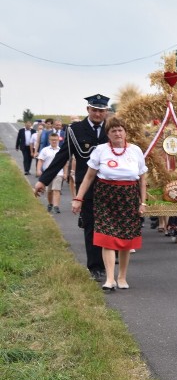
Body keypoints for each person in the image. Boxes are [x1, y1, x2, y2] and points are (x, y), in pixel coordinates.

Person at [34, 95, 110, 280]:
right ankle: (96, 267)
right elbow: (62, 157)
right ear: (88, 110)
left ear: (106, 111)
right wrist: (43, 180)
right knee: (91, 226)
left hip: (111, 186)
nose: (98, 113)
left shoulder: (112, 127)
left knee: (109, 226)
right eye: (94, 110)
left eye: (101, 110)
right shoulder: (76, 130)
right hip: (88, 186)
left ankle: (109, 261)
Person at [71, 116, 148, 291]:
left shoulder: (135, 150)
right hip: (105, 197)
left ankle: (122, 277)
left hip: (128, 198)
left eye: (120, 130)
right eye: (113, 131)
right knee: (106, 238)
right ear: (108, 134)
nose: (117, 133)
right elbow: (89, 176)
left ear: (126, 132)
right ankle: (110, 278)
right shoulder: (100, 150)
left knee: (125, 240)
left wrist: (143, 202)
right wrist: (78, 198)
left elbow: (143, 179)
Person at [36, 132, 68, 213]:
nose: (54, 141)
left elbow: (65, 163)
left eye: (55, 140)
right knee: (49, 191)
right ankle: (50, 204)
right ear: (49, 140)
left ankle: (56, 206)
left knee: (56, 189)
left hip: (58, 173)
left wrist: (65, 173)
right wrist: (39, 170)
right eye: (52, 140)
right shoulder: (45, 150)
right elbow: (40, 161)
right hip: (48, 174)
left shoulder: (61, 150)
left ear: (58, 140)